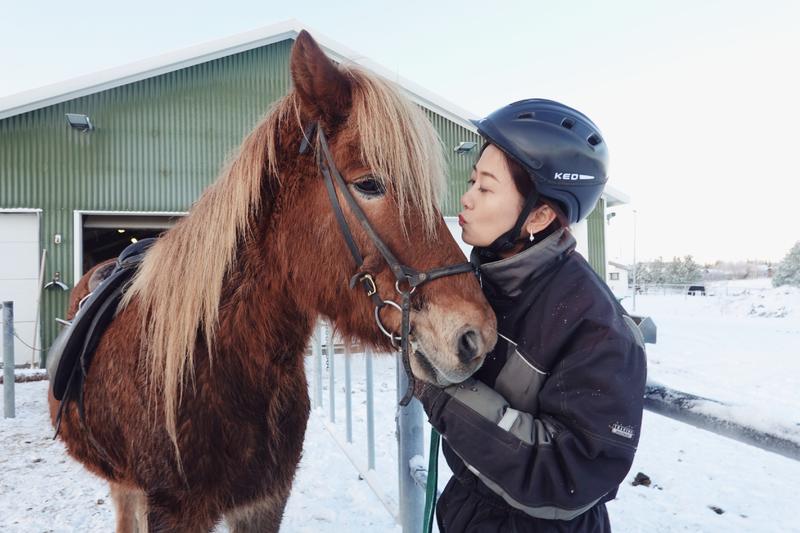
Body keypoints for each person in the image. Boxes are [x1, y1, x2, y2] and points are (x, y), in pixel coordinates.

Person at [414, 99, 647, 532]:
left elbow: (569, 474)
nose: (465, 198)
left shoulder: (596, 327)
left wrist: (441, 392)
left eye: (485, 188)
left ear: (538, 214)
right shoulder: (481, 285)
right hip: (466, 510)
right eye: (471, 180)